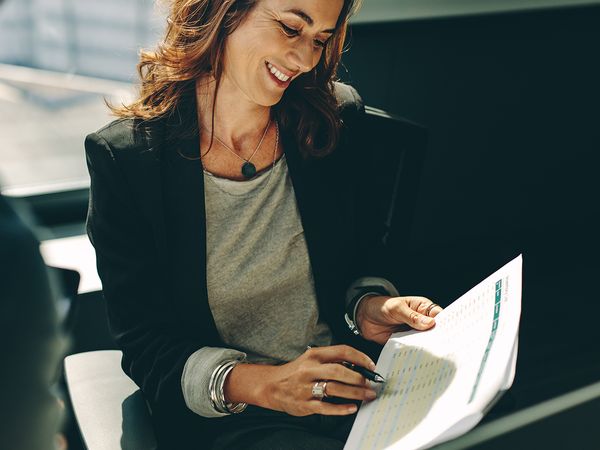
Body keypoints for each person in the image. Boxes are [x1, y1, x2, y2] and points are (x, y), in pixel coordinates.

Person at [85, 0, 442, 448]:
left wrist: (368, 306)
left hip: (354, 390)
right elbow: (146, 345)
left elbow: (357, 259)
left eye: (320, 40)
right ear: (223, 11)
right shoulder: (128, 160)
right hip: (238, 420)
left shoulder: (331, 117)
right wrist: (269, 385)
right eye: (291, 29)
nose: (305, 59)